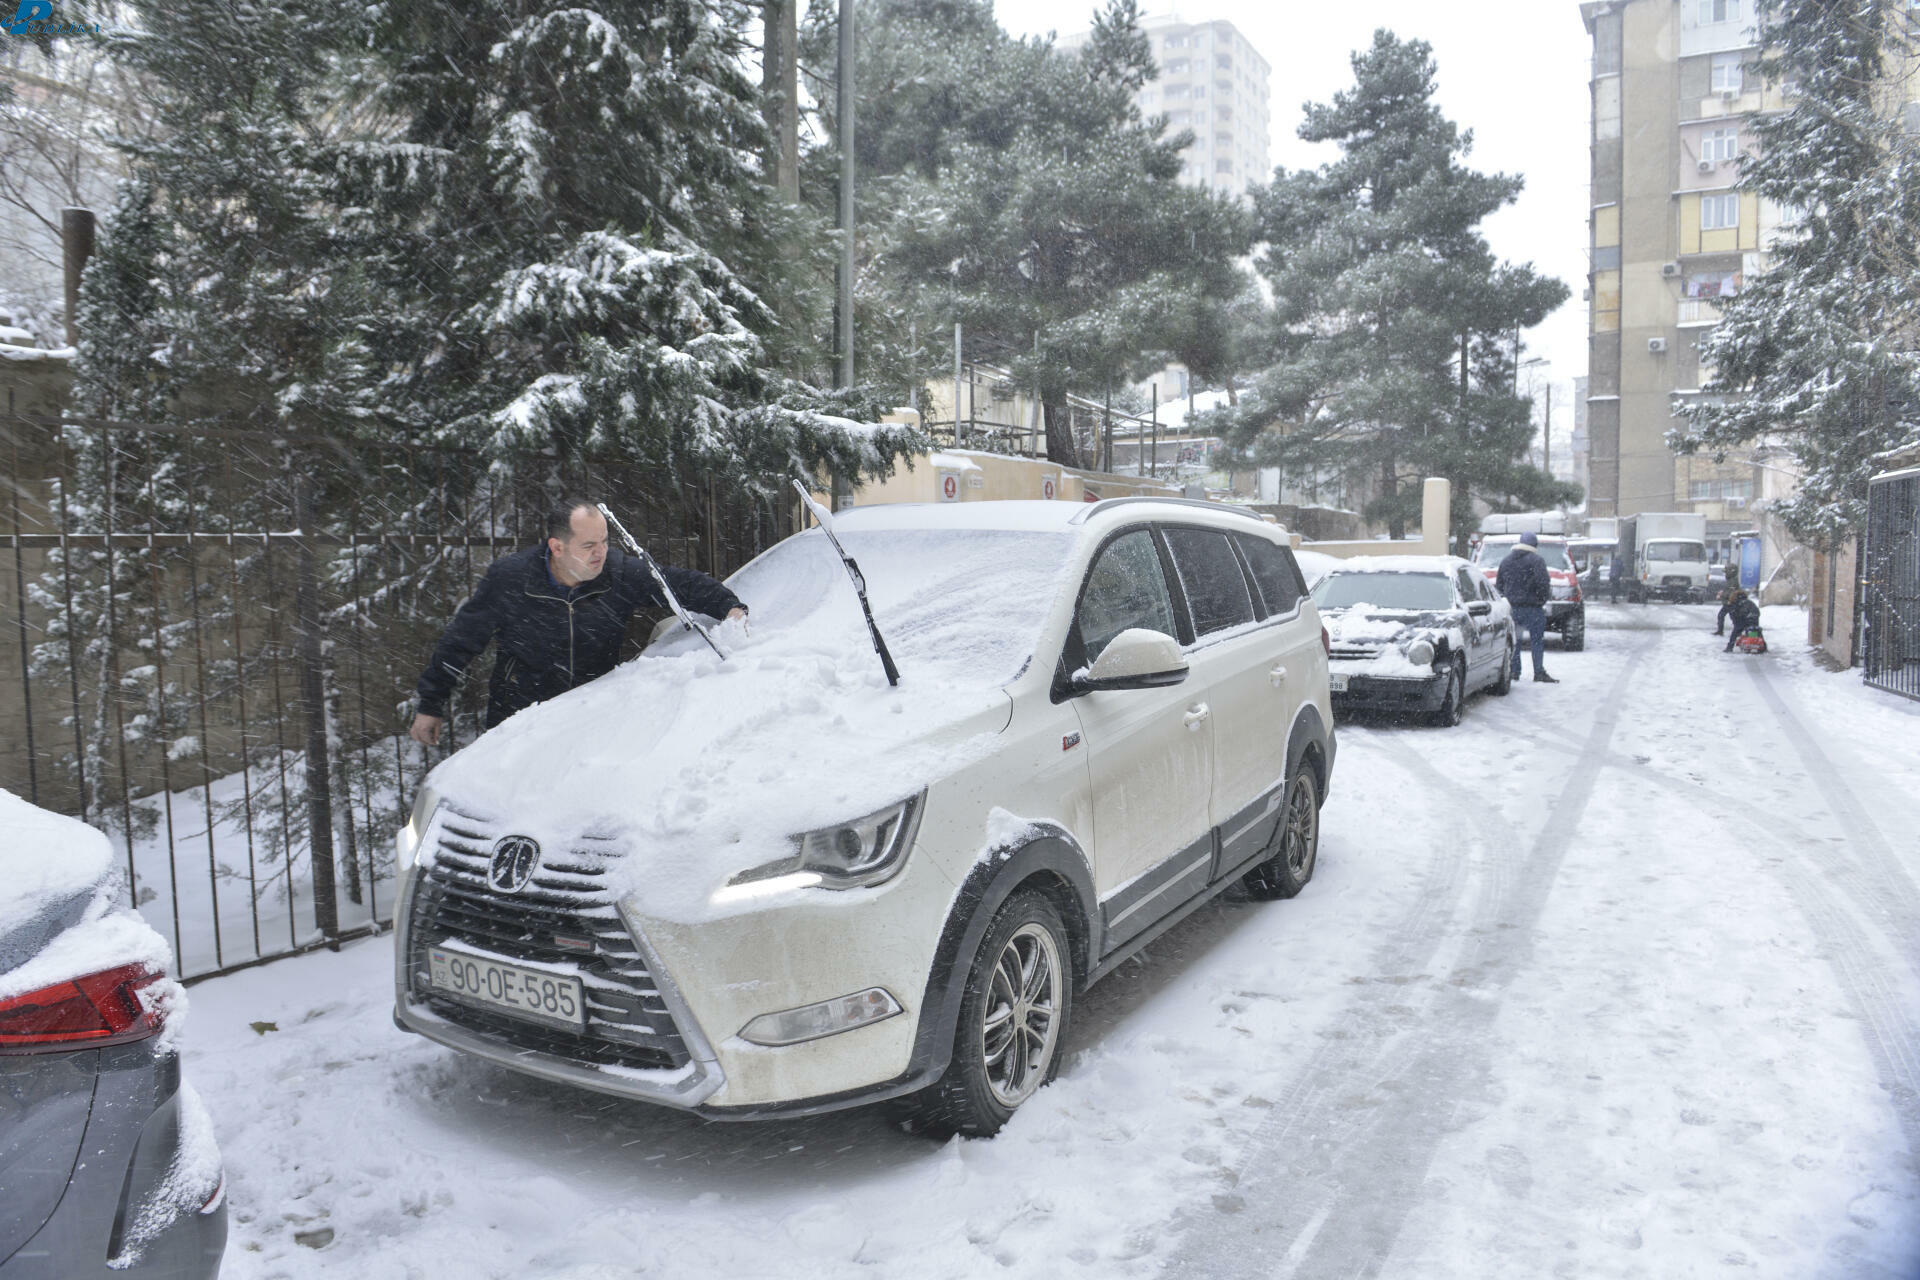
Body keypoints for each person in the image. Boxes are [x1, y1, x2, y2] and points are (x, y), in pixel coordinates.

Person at [409, 499, 746, 745]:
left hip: (590, 718)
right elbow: (460, 641)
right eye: (588, 546)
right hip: (518, 719)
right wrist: (430, 704)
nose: (600, 552)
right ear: (557, 547)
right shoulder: (511, 579)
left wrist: (730, 607)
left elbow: (678, 584)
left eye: (604, 541)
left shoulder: (617, 574)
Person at [1496, 531, 1559, 683]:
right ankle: (1538, 672)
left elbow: (1499, 585)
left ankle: (1514, 671)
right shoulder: (1537, 561)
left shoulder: (1506, 561)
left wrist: (1508, 598)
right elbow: (1543, 583)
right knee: (1537, 641)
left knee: (1515, 641)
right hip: (1533, 608)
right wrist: (1540, 600)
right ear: (1534, 545)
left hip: (1512, 608)